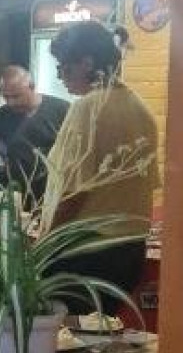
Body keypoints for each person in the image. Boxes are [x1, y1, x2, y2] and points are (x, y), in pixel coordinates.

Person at [42, 20, 159, 314]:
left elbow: (74, 192)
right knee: (99, 333)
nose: (61, 77)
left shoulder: (88, 108)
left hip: (87, 251)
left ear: (86, 63)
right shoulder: (141, 108)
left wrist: (44, 245)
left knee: (66, 334)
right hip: (130, 250)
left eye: (64, 68)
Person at [0, 66, 69, 204]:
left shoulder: (62, 109)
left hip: (54, 189)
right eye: (6, 97)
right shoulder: (1, 114)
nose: (11, 102)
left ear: (32, 87)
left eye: (16, 96)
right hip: (17, 190)